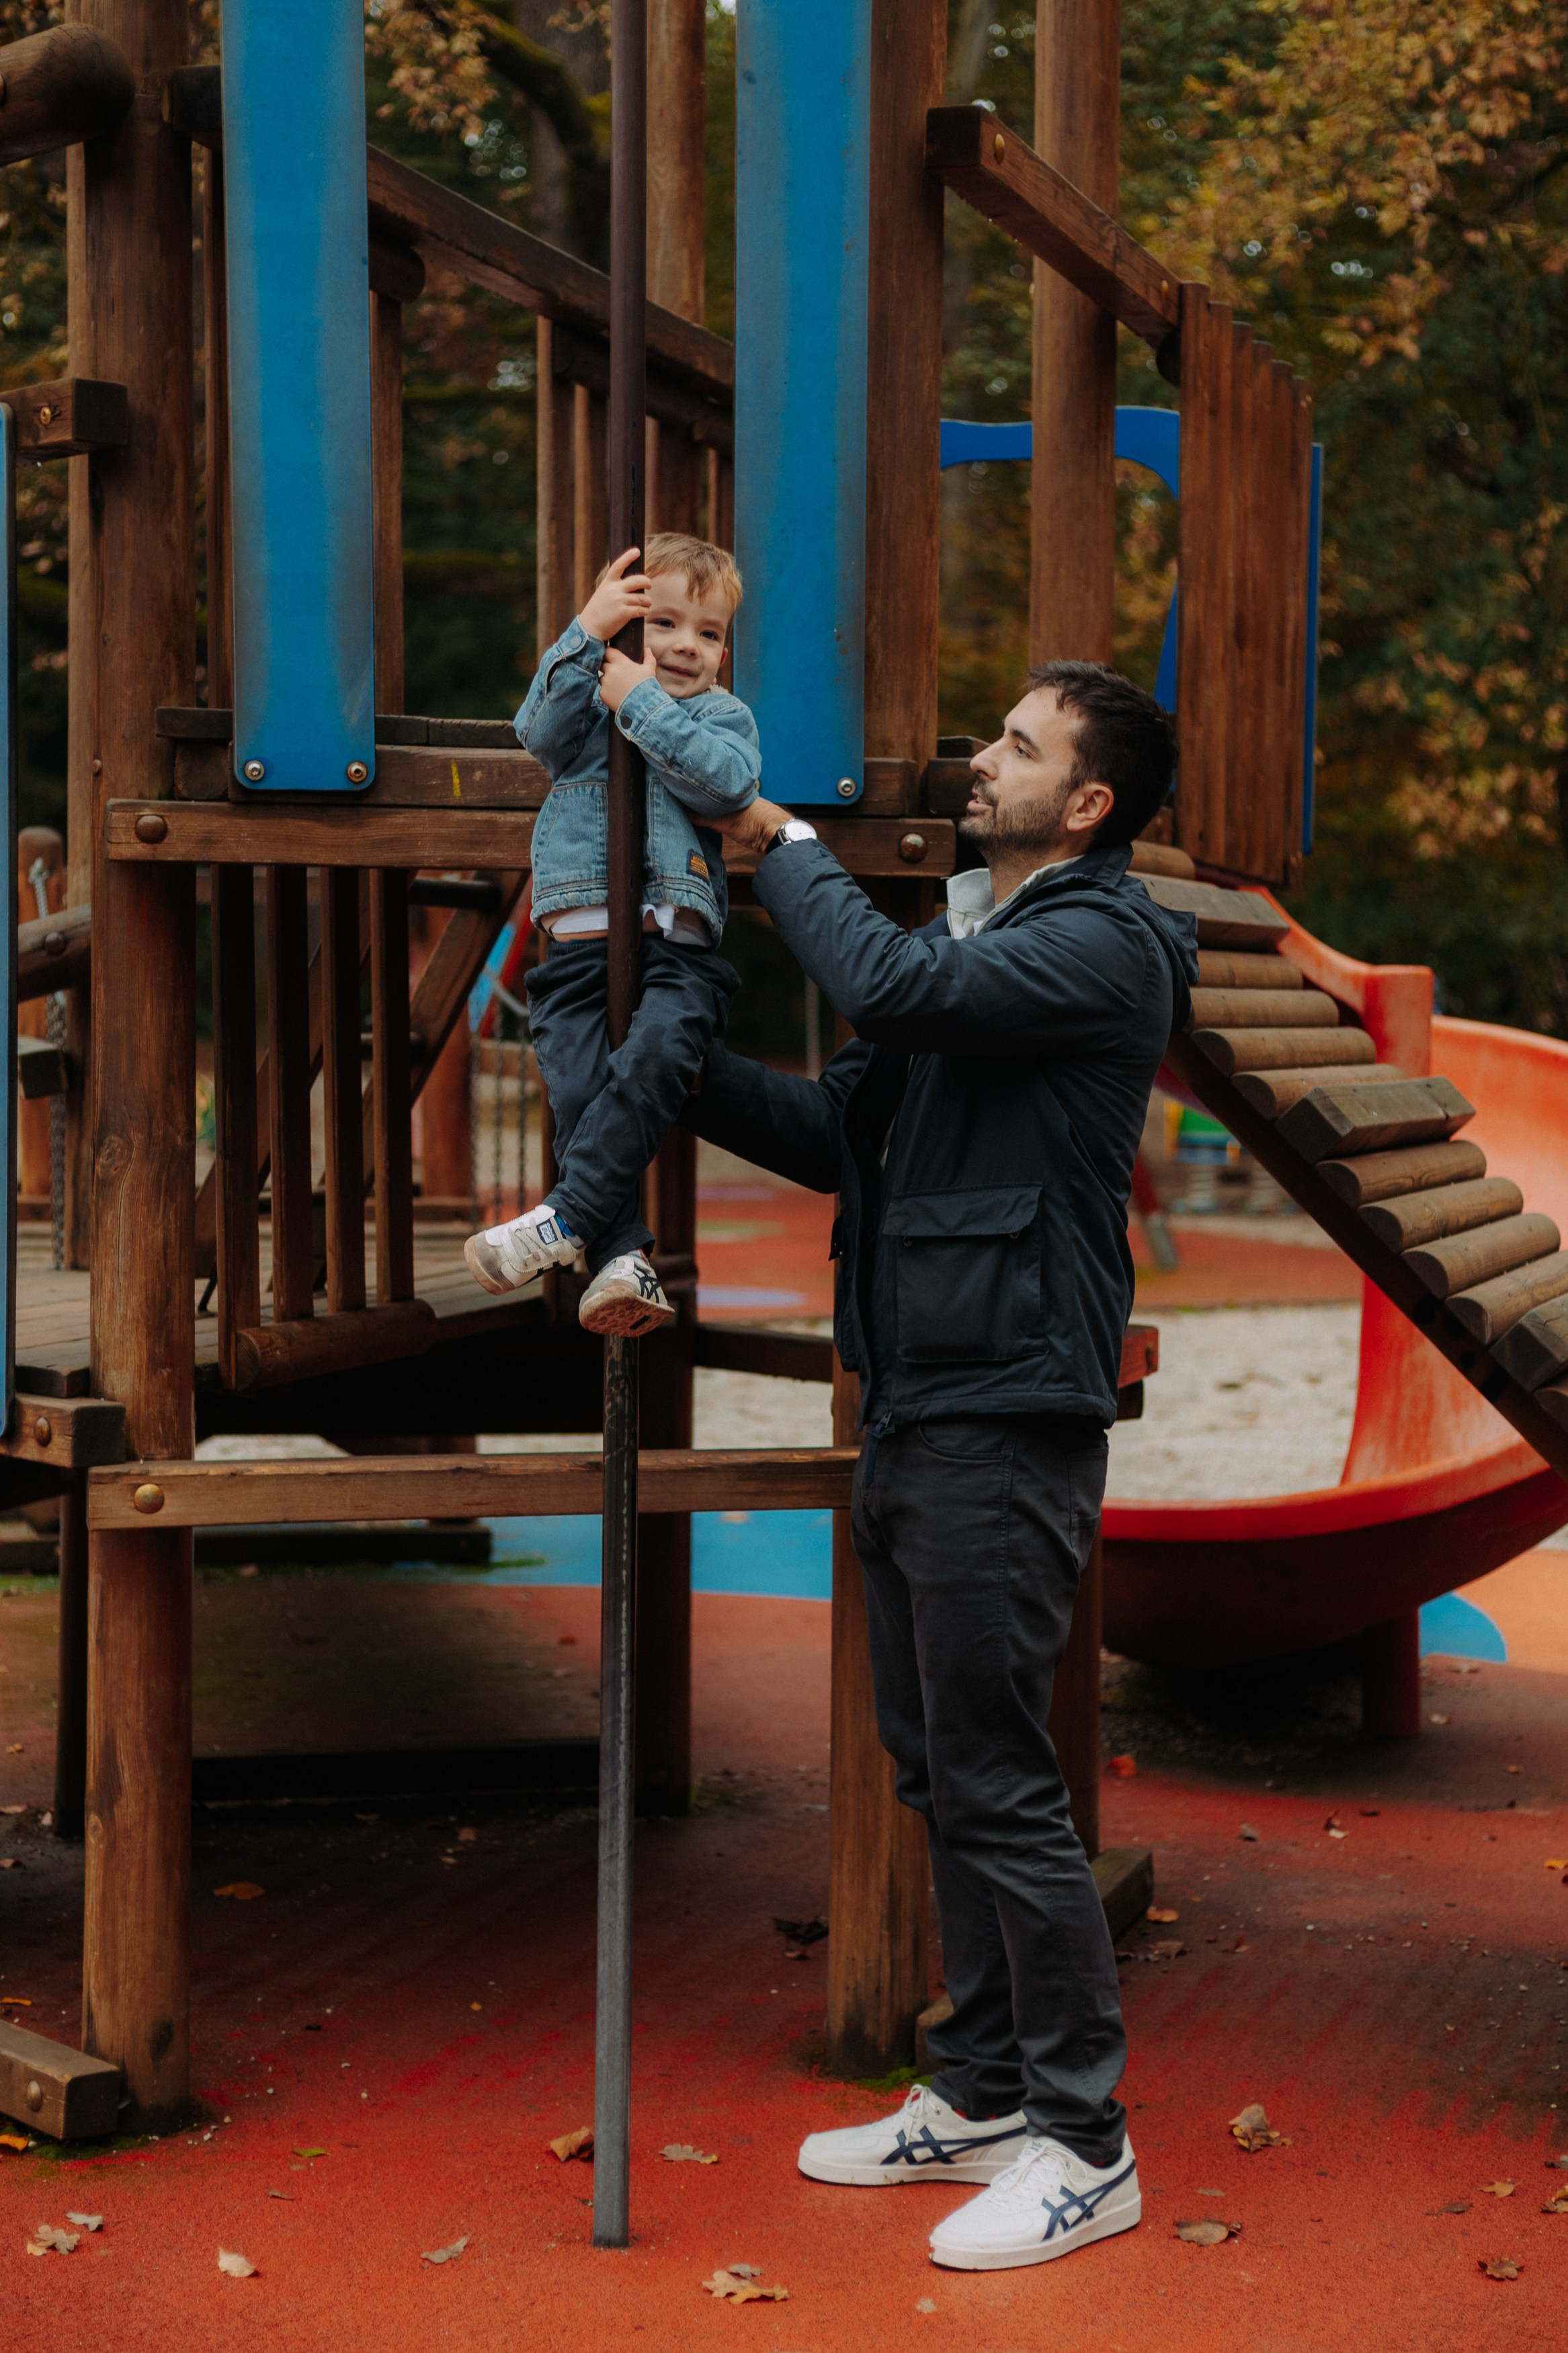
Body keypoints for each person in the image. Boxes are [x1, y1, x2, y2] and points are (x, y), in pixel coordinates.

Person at [688, 662, 1198, 2273]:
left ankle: (1086, 2143)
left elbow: (898, 1008)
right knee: (937, 1774)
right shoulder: (969, 933)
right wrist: (659, 1057)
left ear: (1090, 801)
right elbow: (845, 1122)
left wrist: (775, 841)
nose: (983, 762)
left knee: (997, 1785)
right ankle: (980, 2094)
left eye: (1018, 747)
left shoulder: (1100, 945)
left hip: (1006, 1409)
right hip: (916, 1399)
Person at [464, 534, 760, 1337]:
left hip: (676, 949)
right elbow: (537, 732)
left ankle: (563, 1221)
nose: (684, 646)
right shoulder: (585, 701)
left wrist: (641, 702)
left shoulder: (721, 715)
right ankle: (622, 1254)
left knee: (660, 1056)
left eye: (706, 633)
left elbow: (725, 781)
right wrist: (584, 633)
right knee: (577, 1089)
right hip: (578, 949)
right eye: (661, 623)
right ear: (626, 628)